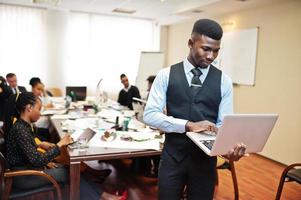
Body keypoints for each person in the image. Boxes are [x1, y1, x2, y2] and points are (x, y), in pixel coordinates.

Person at [143, 19, 246, 199]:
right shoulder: (165, 75)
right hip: (172, 159)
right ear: (190, 43)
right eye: (206, 49)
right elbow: (150, 115)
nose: (211, 56)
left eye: (216, 50)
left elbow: (224, 125)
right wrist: (187, 125)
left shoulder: (224, 81)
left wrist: (229, 149)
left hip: (205, 163)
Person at [4, 92, 122, 200]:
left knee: (71, 168)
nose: (40, 113)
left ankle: (101, 196)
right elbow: (37, 160)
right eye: (39, 109)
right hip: (25, 177)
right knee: (71, 173)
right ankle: (103, 197)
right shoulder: (21, 130)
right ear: (29, 108)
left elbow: (28, 149)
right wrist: (59, 144)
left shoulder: (22, 126)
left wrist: (43, 145)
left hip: (29, 171)